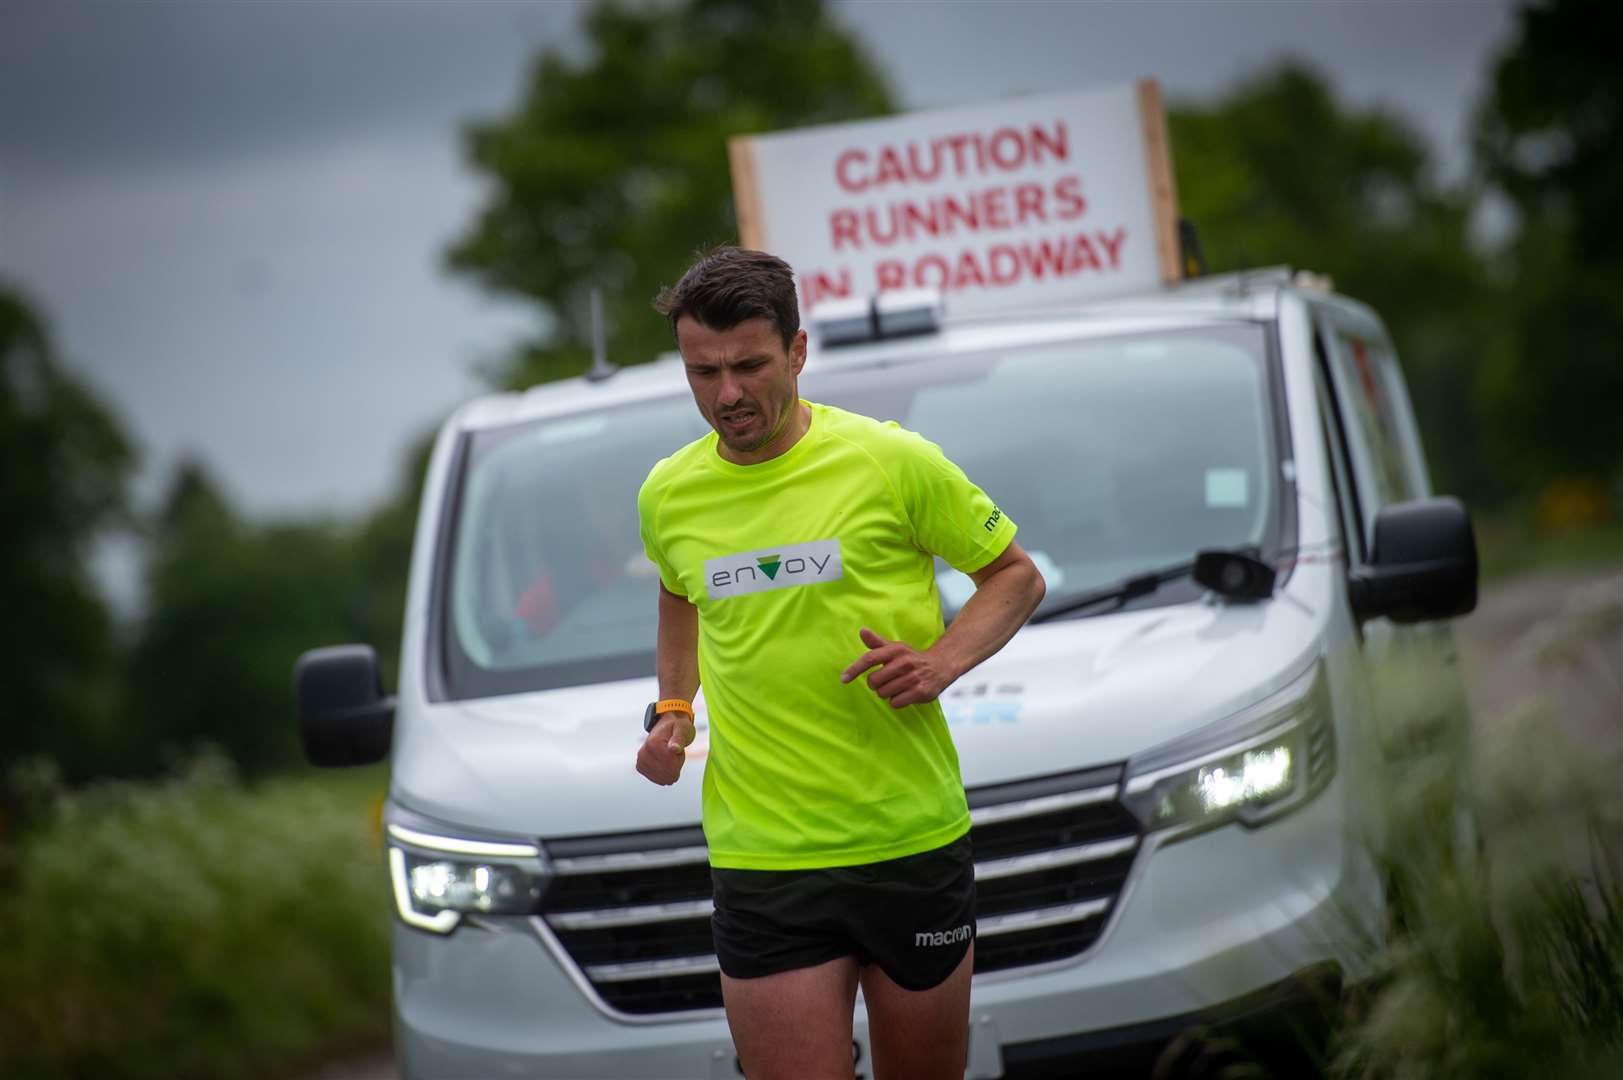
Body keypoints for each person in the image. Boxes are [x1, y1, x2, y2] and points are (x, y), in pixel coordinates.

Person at [634, 247, 1044, 1080]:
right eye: (702, 372)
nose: (727, 394)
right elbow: (680, 597)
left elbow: (1013, 576)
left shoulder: (891, 463)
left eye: (748, 365)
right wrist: (673, 711)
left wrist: (939, 661)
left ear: (796, 351)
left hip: (906, 837)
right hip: (764, 857)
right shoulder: (668, 495)